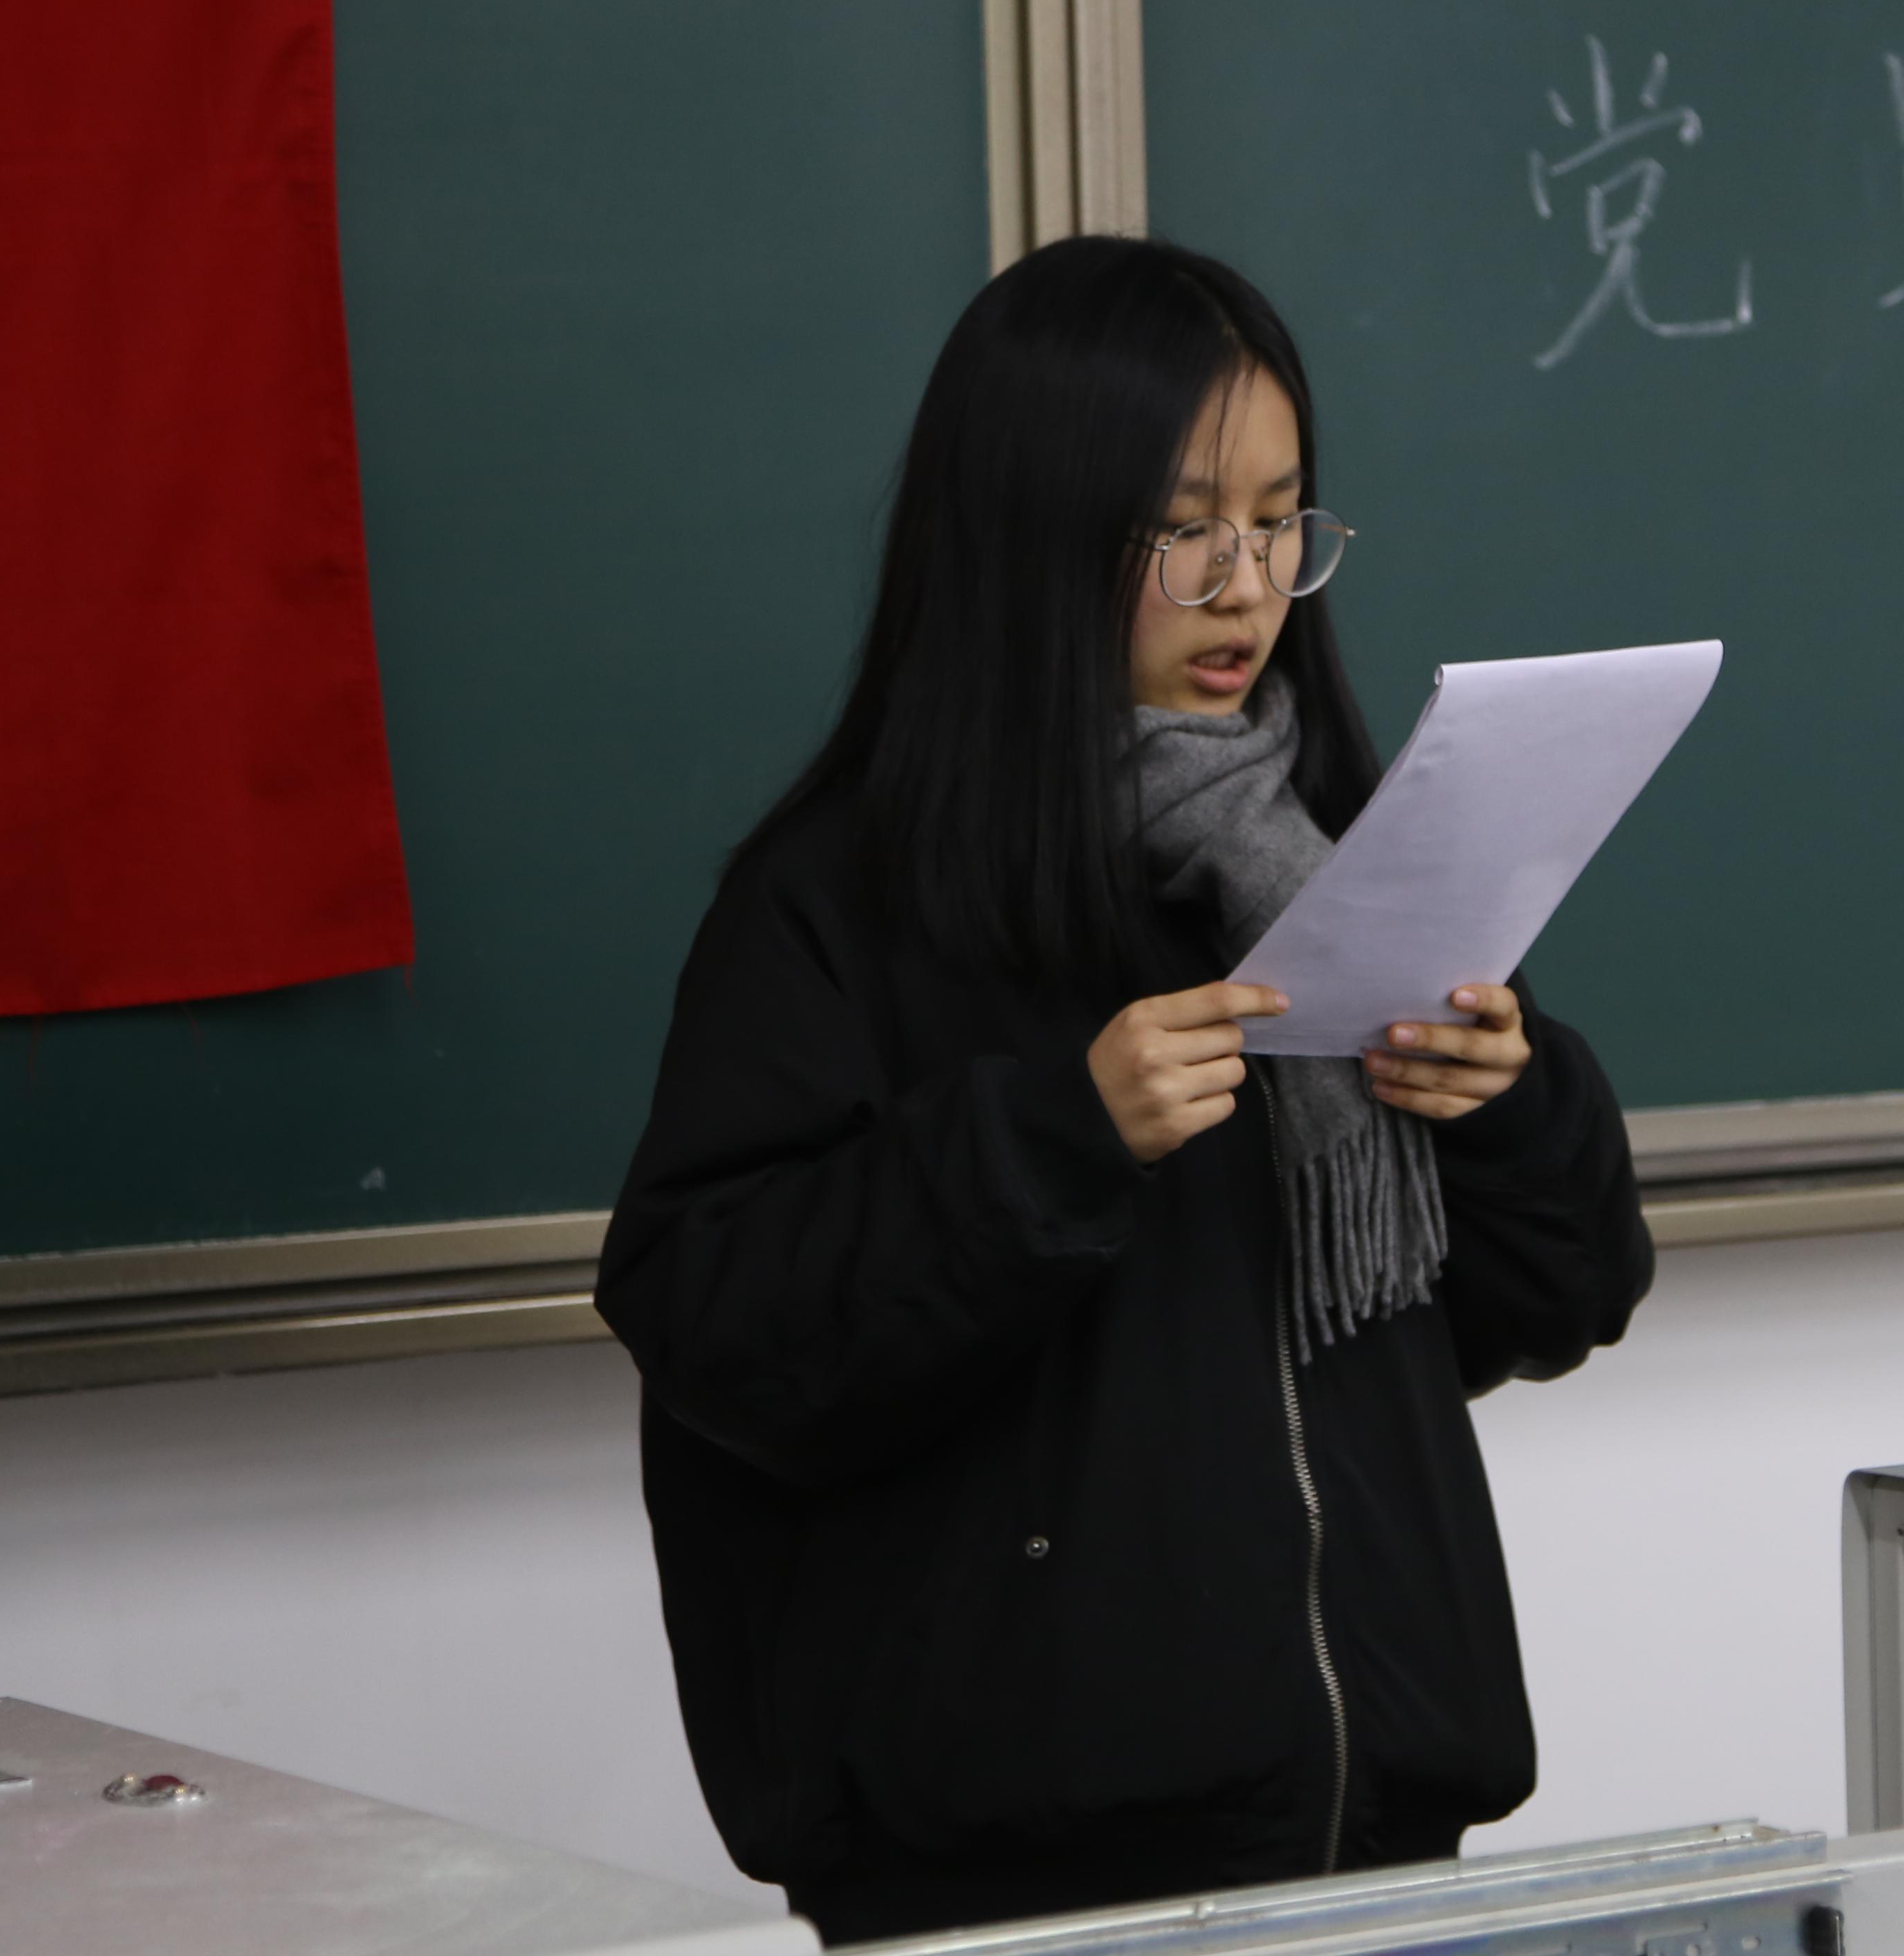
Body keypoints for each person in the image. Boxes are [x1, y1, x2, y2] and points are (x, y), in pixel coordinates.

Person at [597, 236, 1656, 1946]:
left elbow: (1558, 1301)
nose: (1245, 587)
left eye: (1280, 522)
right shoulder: (843, 898)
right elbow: (719, 1332)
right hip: (1012, 1873)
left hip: (1377, 1831)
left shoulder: (1338, 864)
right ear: (1035, 536)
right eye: (1183, 529)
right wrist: (1055, 1139)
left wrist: (1510, 1108)